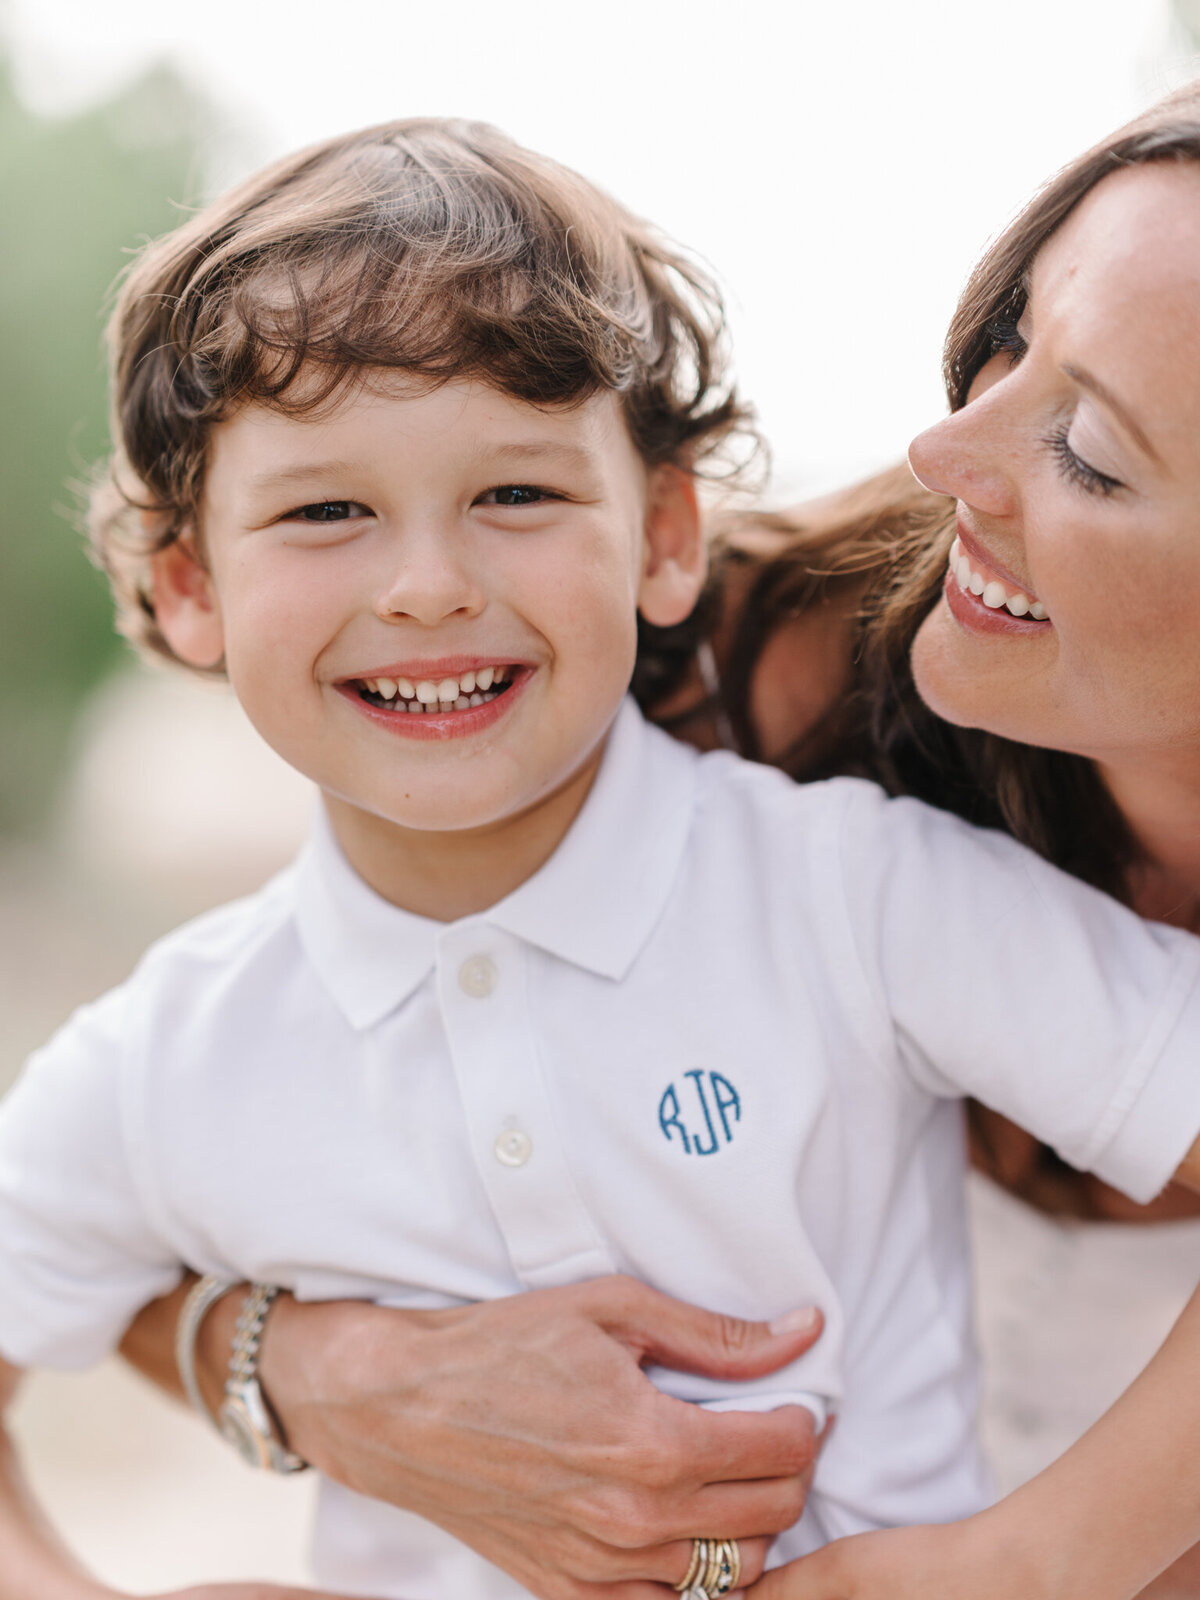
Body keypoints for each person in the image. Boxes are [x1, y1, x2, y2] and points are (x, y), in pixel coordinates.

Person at [5, 109, 1200, 1600]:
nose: (430, 587)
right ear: (189, 588)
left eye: (515, 494)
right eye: (326, 511)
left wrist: (1020, 1568)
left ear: (662, 536)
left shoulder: (849, 894)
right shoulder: (169, 1050)